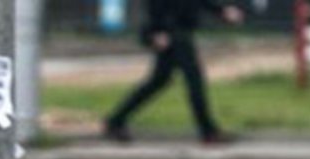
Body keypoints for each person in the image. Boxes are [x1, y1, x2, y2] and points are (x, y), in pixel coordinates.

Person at [104, 0, 245, 144]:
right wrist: (157, 31)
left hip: (177, 30)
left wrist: (221, 11)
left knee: (159, 80)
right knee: (194, 80)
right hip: (173, 32)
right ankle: (208, 131)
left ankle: (115, 121)